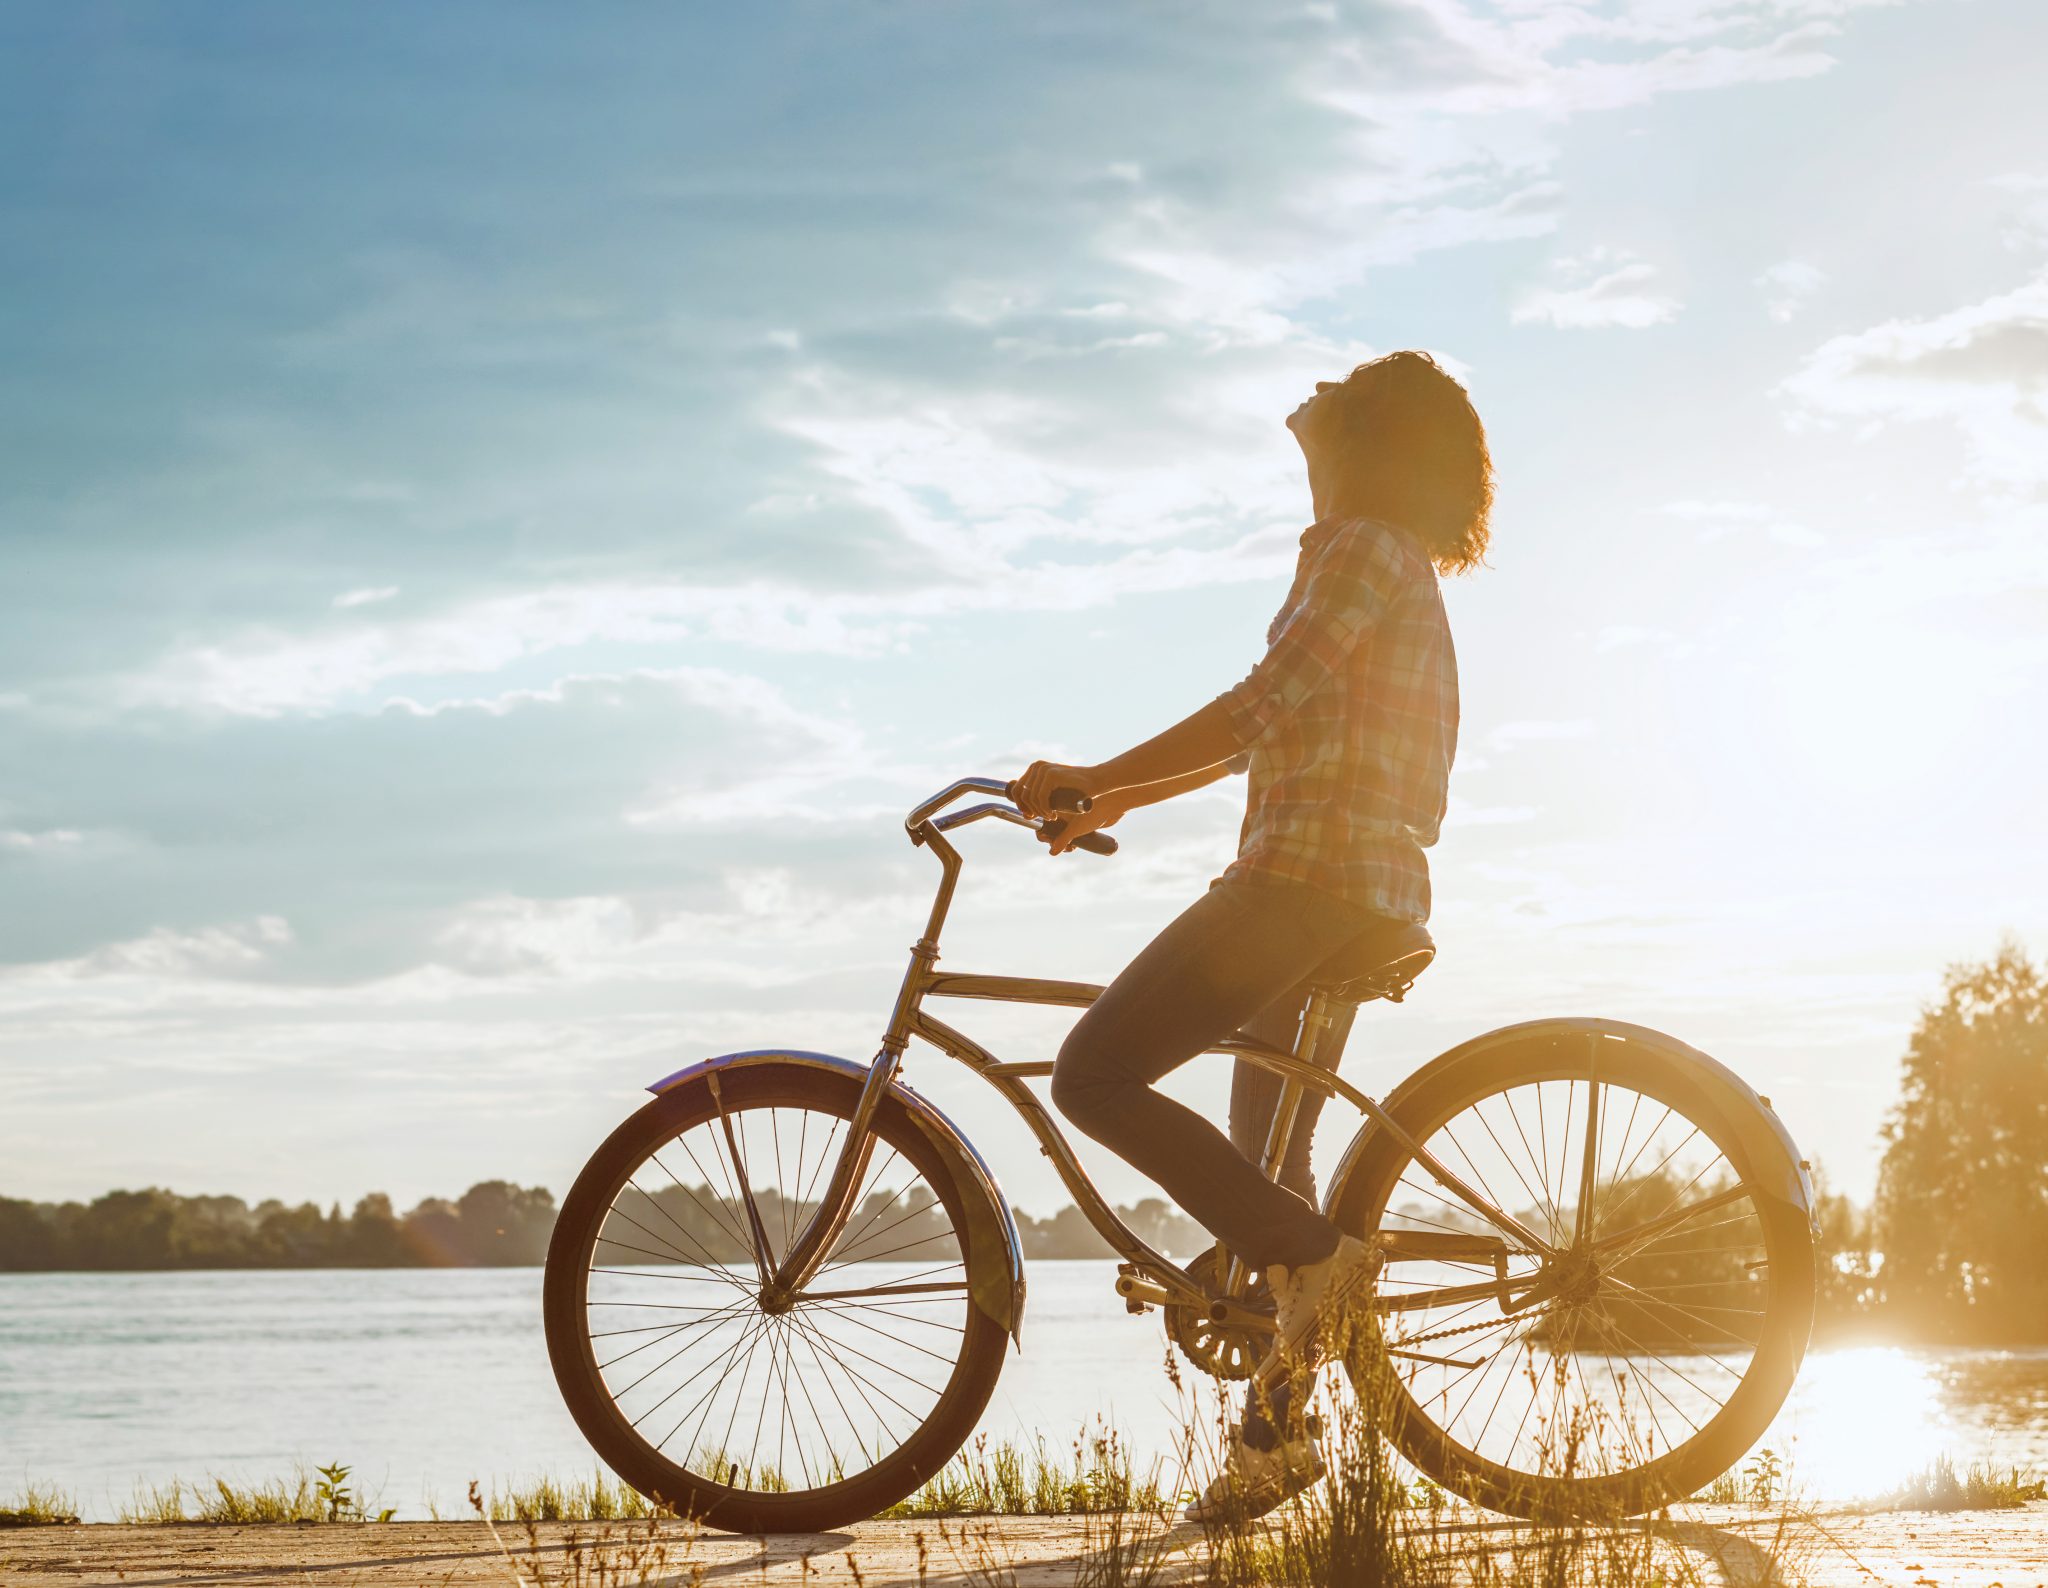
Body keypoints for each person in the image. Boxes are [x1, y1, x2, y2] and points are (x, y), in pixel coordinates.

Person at [1010, 349, 1490, 1520]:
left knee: (1093, 1070)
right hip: (1352, 888)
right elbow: (1270, 731)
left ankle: (1322, 1265)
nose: (1304, 473)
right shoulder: (1390, 565)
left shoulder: (1362, 550)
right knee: (1267, 1182)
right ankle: (1277, 1441)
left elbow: (1256, 703)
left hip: (1301, 886)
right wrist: (1120, 800)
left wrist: (1093, 766)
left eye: (1317, 446)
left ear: (1367, 456)